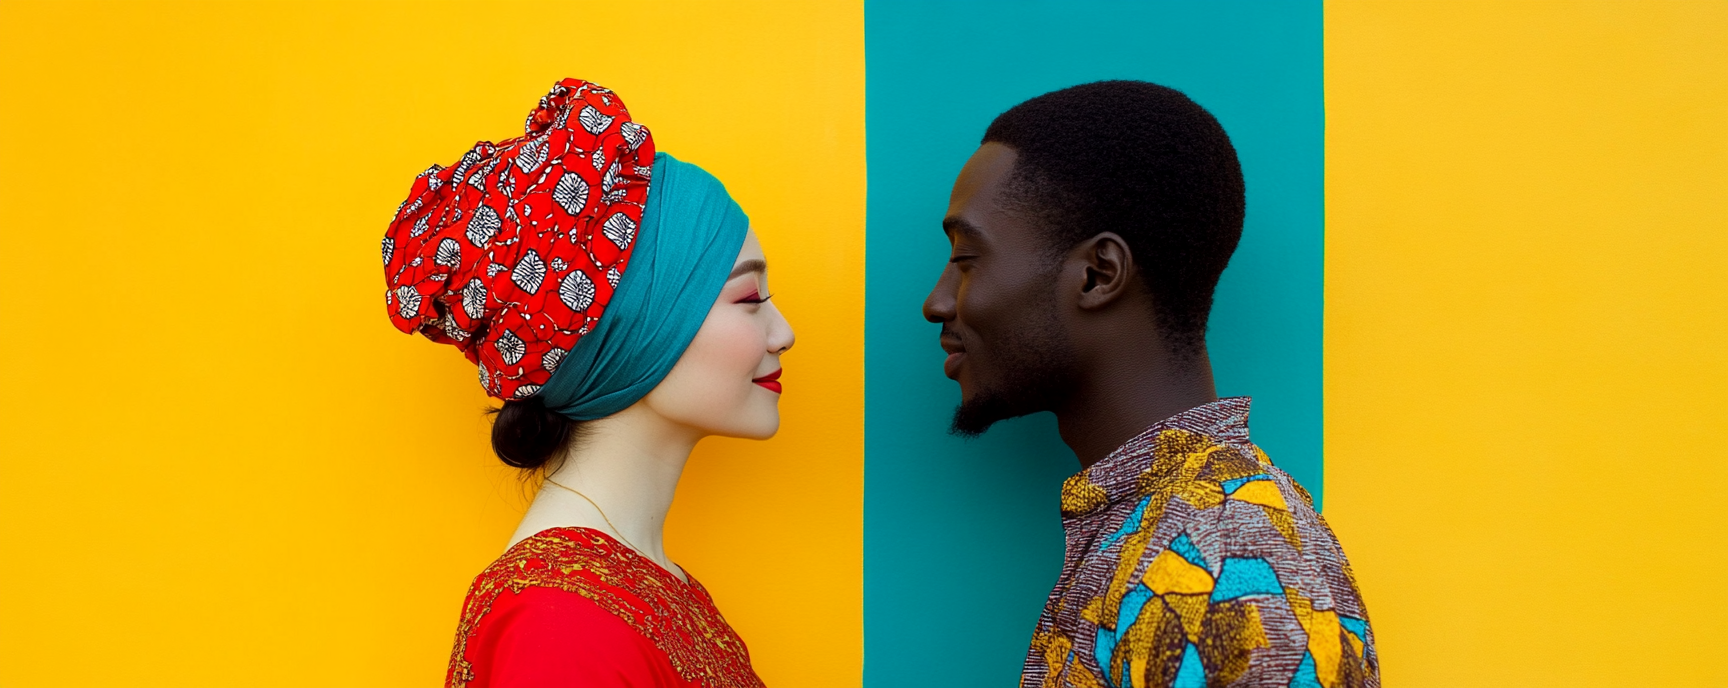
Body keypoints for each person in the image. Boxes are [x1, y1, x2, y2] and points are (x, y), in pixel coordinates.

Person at [923, 81, 1377, 688]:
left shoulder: (1219, 566)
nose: (936, 302)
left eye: (967, 258)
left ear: (1097, 274)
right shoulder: (1163, 527)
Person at [382, 78, 791, 688]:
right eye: (750, 297)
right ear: (633, 332)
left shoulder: (639, 587)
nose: (782, 332)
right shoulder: (563, 628)